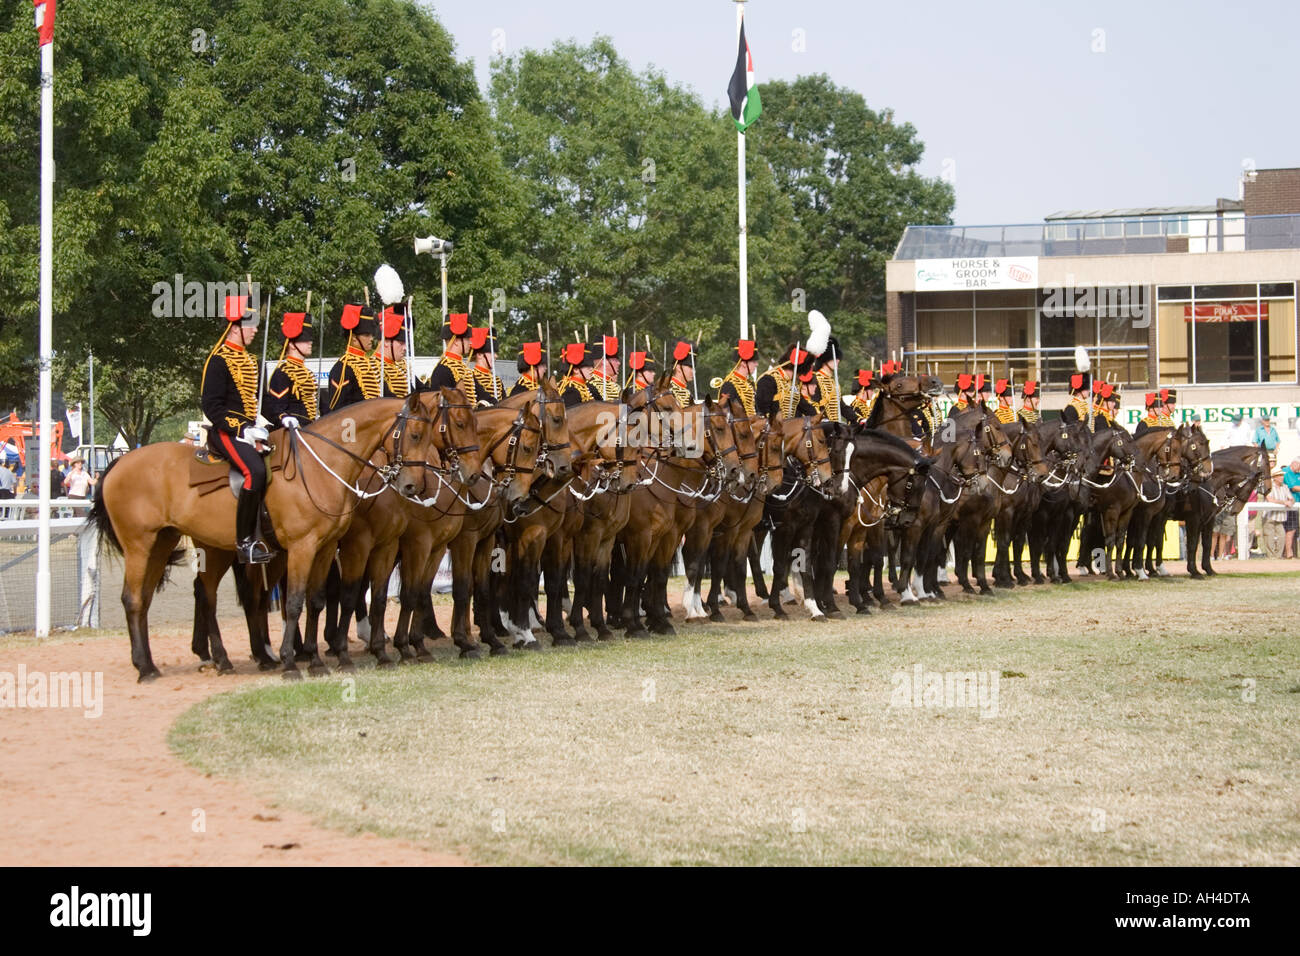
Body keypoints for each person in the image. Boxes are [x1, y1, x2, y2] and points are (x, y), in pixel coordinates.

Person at [201, 295, 272, 564]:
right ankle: (245, 541)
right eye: (250, 325)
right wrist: (242, 429)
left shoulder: (252, 361)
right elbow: (211, 405)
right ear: (234, 327)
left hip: (251, 431)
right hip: (225, 433)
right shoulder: (218, 360)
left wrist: (261, 426)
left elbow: (256, 402)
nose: (255, 329)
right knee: (254, 471)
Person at [265, 309, 319, 427]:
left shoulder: (308, 373)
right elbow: (276, 408)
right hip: (292, 432)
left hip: (311, 429)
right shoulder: (282, 373)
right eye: (305, 340)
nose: (310, 343)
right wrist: (285, 419)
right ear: (292, 345)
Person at [327, 302, 381, 410]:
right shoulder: (342, 369)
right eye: (366, 335)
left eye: (371, 335)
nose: (371, 339)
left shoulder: (374, 365)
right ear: (354, 338)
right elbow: (338, 409)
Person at [755, 344, 818, 419]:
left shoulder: (793, 384)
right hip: (772, 427)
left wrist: (818, 417)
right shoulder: (768, 380)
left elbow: (805, 406)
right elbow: (762, 410)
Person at [424, 312, 476, 399]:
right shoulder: (443, 370)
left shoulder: (466, 370)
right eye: (467, 339)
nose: (470, 343)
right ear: (455, 341)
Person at [378, 305, 411, 400]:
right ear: (386, 342)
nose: (405, 348)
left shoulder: (401, 367)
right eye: (401, 343)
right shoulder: (373, 367)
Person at [718, 339, 758, 416]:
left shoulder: (750, 385)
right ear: (743, 363)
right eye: (754, 361)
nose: (756, 364)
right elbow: (726, 415)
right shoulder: (729, 385)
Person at [467, 327, 503, 407]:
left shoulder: (497, 380)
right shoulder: (470, 377)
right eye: (492, 353)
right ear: (479, 355)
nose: (496, 356)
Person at [1264, 470, 1295, 558]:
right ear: (1274, 477)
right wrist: (1284, 502)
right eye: (1279, 475)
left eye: (1282, 475)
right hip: (1269, 516)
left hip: (1280, 516)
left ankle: (1277, 556)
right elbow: (1270, 499)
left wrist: (1290, 502)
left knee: (1282, 536)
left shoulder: (1285, 487)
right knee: (1269, 536)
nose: (1281, 477)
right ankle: (1271, 556)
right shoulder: (1269, 486)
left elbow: (1291, 498)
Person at [813, 336, 843, 423]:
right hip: (819, 424)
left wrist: (858, 419)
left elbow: (841, 406)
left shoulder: (833, 382)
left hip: (835, 424)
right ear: (825, 359)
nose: (838, 361)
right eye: (835, 358)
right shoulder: (815, 379)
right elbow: (813, 404)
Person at [557, 341, 596, 407]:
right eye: (588, 367)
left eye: (592, 366)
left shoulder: (588, 387)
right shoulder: (570, 391)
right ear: (576, 370)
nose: (592, 369)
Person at [587, 336, 621, 402]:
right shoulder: (590, 386)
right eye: (615, 360)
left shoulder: (616, 387)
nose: (619, 363)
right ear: (604, 361)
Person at [668, 340, 697, 408]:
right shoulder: (668, 389)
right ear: (678, 368)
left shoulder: (688, 394)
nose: (693, 371)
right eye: (690, 367)